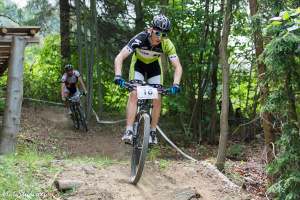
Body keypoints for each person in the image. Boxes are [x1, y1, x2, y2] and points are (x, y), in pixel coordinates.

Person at [114, 14, 183, 145]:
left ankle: (152, 132)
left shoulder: (167, 44)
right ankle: (128, 130)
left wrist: (176, 84)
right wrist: (118, 76)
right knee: (134, 93)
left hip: (154, 68)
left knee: (157, 96)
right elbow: (119, 57)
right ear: (151, 29)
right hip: (138, 66)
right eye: (157, 33)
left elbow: (178, 67)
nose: (159, 37)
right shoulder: (140, 38)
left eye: (164, 35)